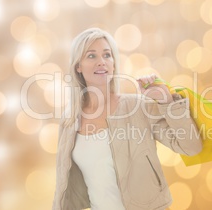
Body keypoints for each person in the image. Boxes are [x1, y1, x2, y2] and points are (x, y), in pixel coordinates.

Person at [52, 27, 202, 210]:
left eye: (107, 55)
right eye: (92, 56)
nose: (102, 62)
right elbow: (62, 185)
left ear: (114, 63)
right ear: (78, 66)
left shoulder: (137, 107)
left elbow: (191, 147)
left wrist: (168, 102)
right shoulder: (69, 120)